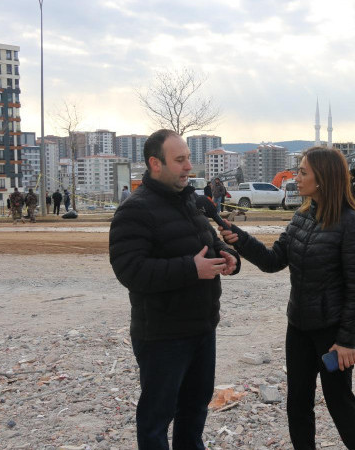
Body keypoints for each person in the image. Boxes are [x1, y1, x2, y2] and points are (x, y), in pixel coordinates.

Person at [219, 146, 355, 449]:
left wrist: (347, 341)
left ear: (323, 179)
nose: (296, 177)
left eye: (303, 172)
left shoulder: (352, 224)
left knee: (340, 403)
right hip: (299, 328)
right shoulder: (302, 216)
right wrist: (241, 239)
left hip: (332, 334)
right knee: (297, 404)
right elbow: (273, 260)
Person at [109, 129, 241, 449]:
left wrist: (230, 257)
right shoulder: (135, 210)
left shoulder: (191, 202)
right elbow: (130, 270)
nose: (188, 167)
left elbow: (211, 243)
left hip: (201, 328)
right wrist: (190, 269)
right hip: (162, 335)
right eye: (180, 160)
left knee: (194, 413)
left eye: (188, 159)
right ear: (156, 163)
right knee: (157, 419)